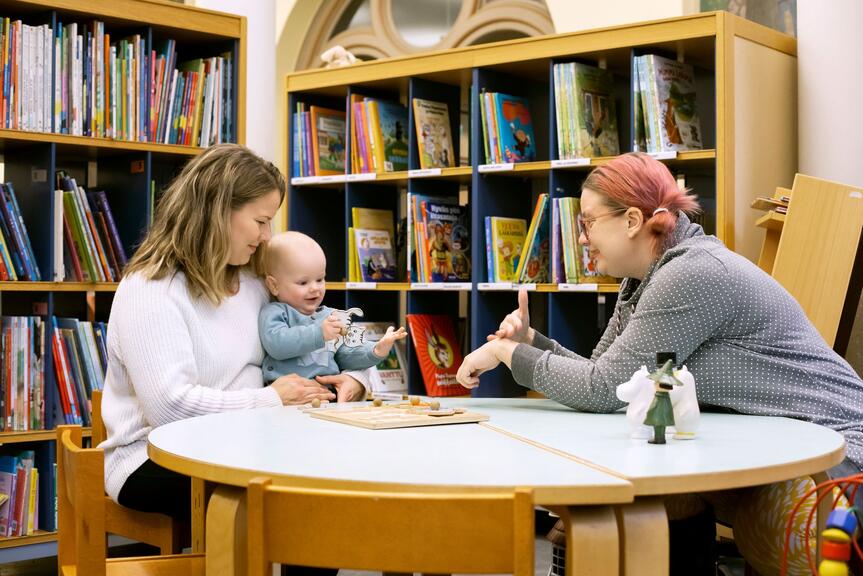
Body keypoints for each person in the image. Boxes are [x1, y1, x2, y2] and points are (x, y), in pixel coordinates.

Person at [456, 152, 863, 575]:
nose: (581, 239)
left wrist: (509, 355)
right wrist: (530, 343)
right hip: (783, 452)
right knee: (661, 492)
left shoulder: (692, 273)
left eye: (587, 223)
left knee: (767, 529)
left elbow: (601, 389)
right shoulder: (645, 277)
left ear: (632, 220)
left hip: (837, 461)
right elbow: (606, 376)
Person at [99, 144, 373, 531]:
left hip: (252, 440)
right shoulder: (151, 288)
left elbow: (334, 335)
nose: (266, 237)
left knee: (346, 478)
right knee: (303, 503)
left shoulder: (254, 281)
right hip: (154, 456)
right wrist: (271, 398)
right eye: (260, 221)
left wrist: (356, 381)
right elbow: (169, 408)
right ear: (218, 211)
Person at [259, 231, 407, 384]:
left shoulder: (330, 317)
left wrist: (375, 350)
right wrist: (319, 333)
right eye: (303, 283)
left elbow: (345, 354)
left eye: (320, 279)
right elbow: (277, 344)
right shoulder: (275, 312)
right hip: (289, 399)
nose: (315, 288)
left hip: (328, 397)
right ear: (274, 285)